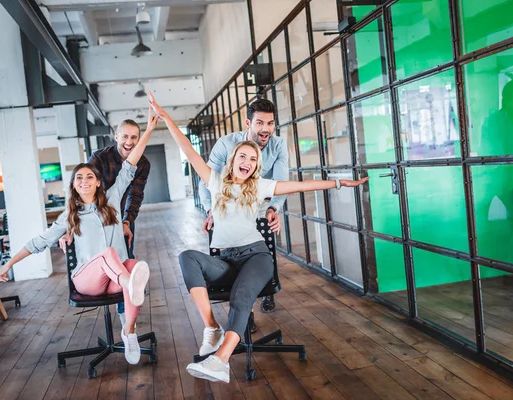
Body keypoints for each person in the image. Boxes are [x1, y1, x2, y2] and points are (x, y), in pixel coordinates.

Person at [148, 92, 368, 383]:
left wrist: (341, 182)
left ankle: (220, 360)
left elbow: (303, 185)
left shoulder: (261, 186)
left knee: (241, 296)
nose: (248, 162)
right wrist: (166, 118)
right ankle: (211, 328)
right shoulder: (215, 183)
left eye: (253, 159)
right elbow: (187, 150)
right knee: (187, 257)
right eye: (243, 156)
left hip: (256, 256)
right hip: (226, 259)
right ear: (232, 159)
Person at [0, 110, 160, 365]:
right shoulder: (70, 216)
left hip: (115, 281)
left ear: (99, 183)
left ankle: (130, 331)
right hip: (88, 281)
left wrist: (149, 130)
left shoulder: (113, 200)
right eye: (79, 178)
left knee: (135, 264)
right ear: (73, 185)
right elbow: (39, 242)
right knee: (111, 257)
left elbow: (130, 165)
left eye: (89, 176)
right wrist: (8, 264)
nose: (84, 180)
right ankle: (131, 283)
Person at [198, 98, 288, 323]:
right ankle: (244, 313)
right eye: (259, 123)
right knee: (233, 259)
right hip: (227, 209)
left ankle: (265, 291)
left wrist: (274, 208)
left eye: (270, 123)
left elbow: (281, 182)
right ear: (248, 123)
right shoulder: (227, 144)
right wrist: (211, 210)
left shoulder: (278, 145)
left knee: (263, 252)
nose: (265, 129)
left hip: (258, 208)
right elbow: (206, 180)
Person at [61, 119, 152, 329]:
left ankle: (125, 315)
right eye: (125, 137)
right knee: (103, 256)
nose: (129, 142)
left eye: (134, 137)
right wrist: (69, 227)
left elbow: (135, 195)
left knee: (124, 259)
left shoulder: (143, 163)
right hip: (95, 214)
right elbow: (82, 187)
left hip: (121, 217)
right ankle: (103, 286)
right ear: (117, 137)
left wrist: (127, 221)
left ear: (138, 140)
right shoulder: (100, 158)